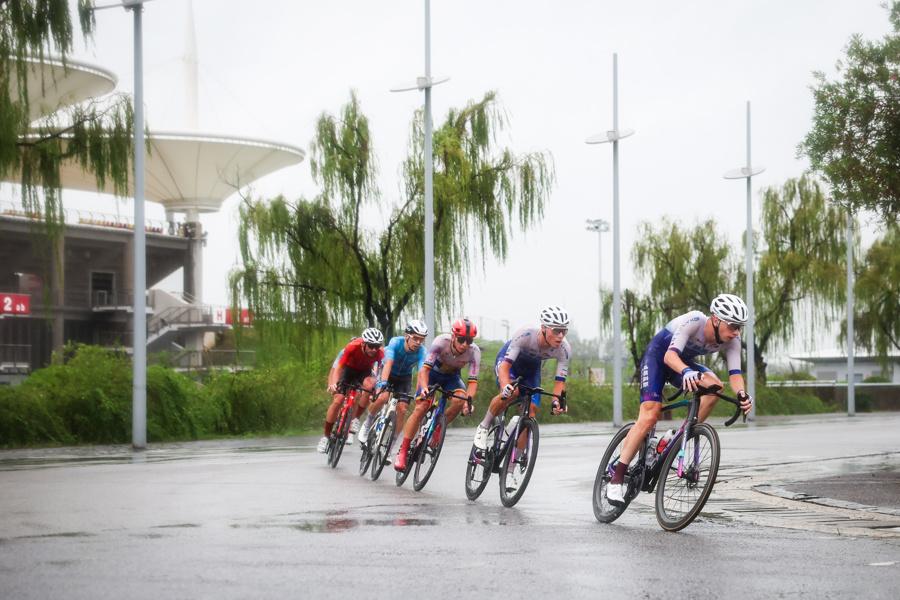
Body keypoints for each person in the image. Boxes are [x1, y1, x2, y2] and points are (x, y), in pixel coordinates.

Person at [605, 293, 754, 505]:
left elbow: (735, 375)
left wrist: (741, 394)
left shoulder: (733, 341)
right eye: (733, 326)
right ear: (715, 319)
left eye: (740, 327)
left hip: (682, 363)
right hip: (659, 358)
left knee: (715, 386)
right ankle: (616, 479)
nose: (736, 332)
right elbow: (669, 356)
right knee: (650, 415)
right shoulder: (695, 321)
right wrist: (686, 372)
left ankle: (677, 437)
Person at [472, 305, 571, 452]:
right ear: (544, 328)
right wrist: (505, 386)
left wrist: (556, 402)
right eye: (556, 330)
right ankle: (484, 426)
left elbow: (559, 382)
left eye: (564, 331)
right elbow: (504, 367)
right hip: (510, 363)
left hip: (532, 369)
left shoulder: (564, 349)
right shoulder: (526, 334)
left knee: (531, 412)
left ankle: (513, 462)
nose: (561, 336)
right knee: (513, 392)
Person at [393, 318, 481, 472]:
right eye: (461, 339)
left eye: (469, 340)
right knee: (421, 407)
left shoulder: (474, 352)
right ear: (453, 336)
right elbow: (425, 370)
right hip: (431, 374)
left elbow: (472, 382)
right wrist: (424, 388)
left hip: (452, 378)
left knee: (460, 400)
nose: (465, 344)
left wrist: (468, 401)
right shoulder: (441, 342)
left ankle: (439, 427)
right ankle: (403, 450)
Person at [356, 319, 428, 444]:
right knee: (383, 397)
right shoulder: (396, 342)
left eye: (421, 339)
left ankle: (391, 444)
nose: (418, 342)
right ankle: (367, 423)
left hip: (404, 377)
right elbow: (388, 363)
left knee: (402, 409)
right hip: (387, 372)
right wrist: (383, 383)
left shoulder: (422, 351)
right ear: (407, 336)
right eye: (415, 338)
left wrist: (421, 391)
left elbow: (422, 372)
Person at [317, 328, 385, 453]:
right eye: (371, 346)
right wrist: (333, 384)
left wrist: (377, 389)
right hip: (347, 370)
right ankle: (325, 437)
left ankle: (354, 420)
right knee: (338, 400)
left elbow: (380, 373)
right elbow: (337, 369)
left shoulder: (380, 353)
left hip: (363, 371)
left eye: (377, 346)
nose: (374, 350)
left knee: (368, 387)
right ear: (363, 344)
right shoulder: (351, 347)